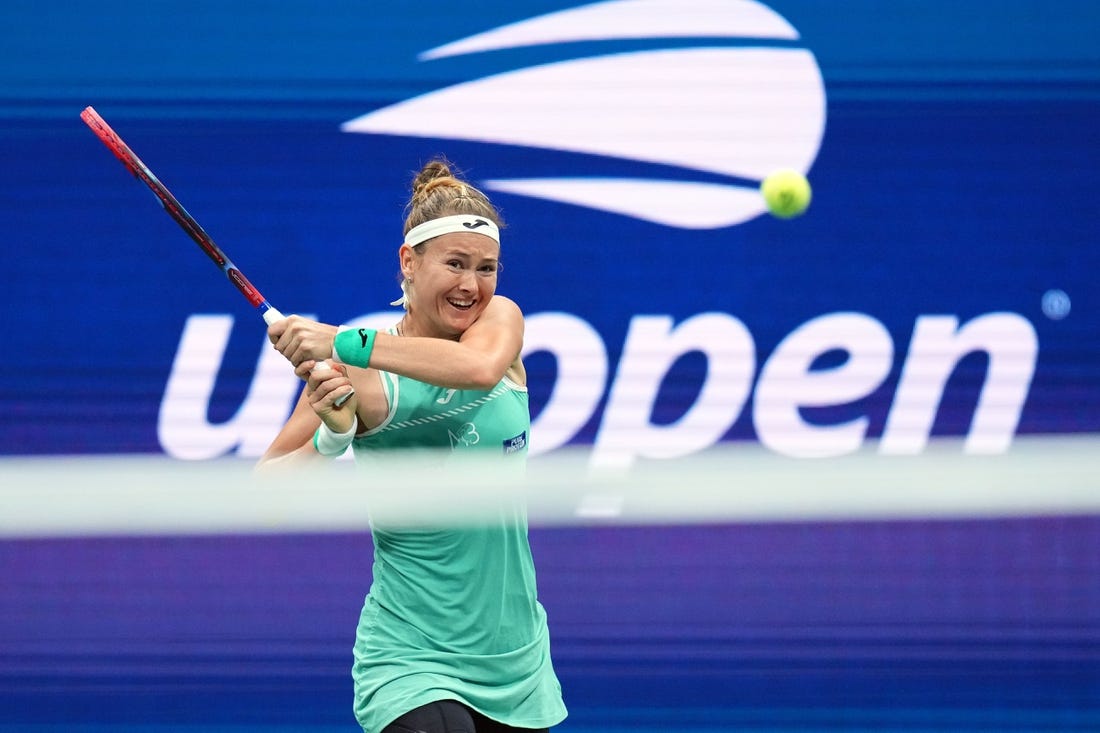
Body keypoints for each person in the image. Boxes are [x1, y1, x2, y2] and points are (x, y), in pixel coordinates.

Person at [258, 159, 567, 733]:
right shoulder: (362, 379)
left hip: (516, 659)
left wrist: (342, 340)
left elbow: (475, 368)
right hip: (409, 659)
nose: (471, 285)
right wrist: (332, 437)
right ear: (409, 262)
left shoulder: (498, 323)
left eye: (486, 268)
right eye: (454, 264)